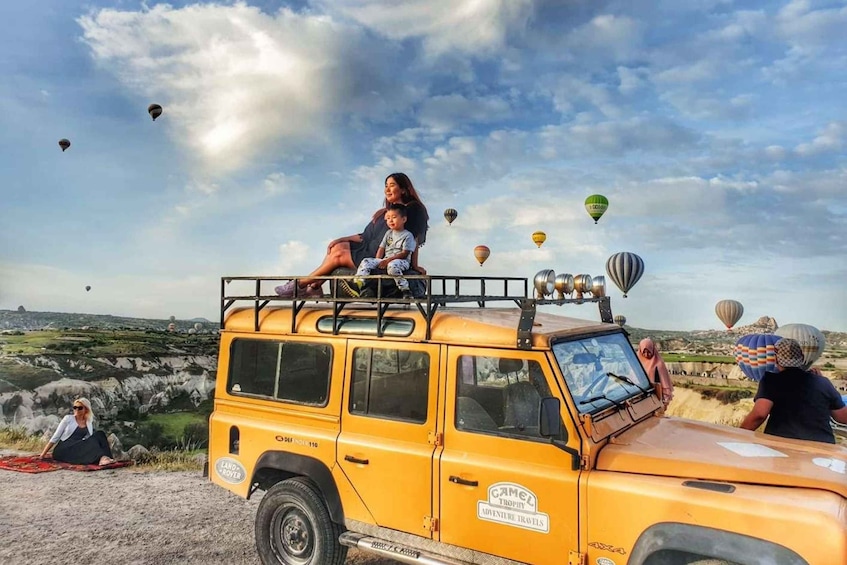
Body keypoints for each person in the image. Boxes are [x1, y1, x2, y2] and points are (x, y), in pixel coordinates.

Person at [275, 173, 429, 297]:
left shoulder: (413, 209)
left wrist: (414, 265)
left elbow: (414, 237)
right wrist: (341, 239)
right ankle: (314, 286)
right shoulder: (385, 213)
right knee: (338, 246)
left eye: (392, 185)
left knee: (339, 254)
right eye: (385, 186)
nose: (387, 189)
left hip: (384, 256)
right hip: (370, 248)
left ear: (403, 189)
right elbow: (365, 236)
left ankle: (300, 284)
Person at [740, 338, 847, 444]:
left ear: (776, 359)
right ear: (802, 358)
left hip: (785, 447)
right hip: (822, 449)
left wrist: (739, 435)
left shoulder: (771, 380)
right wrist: (821, 382)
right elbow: (842, 417)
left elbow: (760, 414)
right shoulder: (823, 382)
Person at [352, 203, 416, 298]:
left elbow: (404, 253)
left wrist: (387, 261)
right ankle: (360, 284)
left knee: (392, 266)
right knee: (366, 261)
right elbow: (381, 248)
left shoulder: (408, 235)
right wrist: (377, 261)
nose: (390, 220)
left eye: (394, 217)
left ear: (404, 219)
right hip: (386, 259)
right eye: (388, 218)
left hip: (401, 261)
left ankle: (405, 290)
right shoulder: (388, 233)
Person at [38, 398, 116, 465]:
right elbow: (55, 437)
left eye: (80, 408)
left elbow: (89, 437)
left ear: (86, 409)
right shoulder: (68, 419)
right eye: (75, 407)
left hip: (78, 446)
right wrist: (43, 454)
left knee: (100, 434)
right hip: (65, 449)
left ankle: (106, 457)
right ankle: (102, 458)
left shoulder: (88, 421)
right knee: (93, 441)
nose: (77, 410)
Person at [637, 338, 674, 407]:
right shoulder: (637, 363)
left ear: (653, 350)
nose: (646, 354)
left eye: (649, 352)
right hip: (640, 399)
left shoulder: (659, 364)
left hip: (655, 399)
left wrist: (665, 402)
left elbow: (664, 384)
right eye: (644, 352)